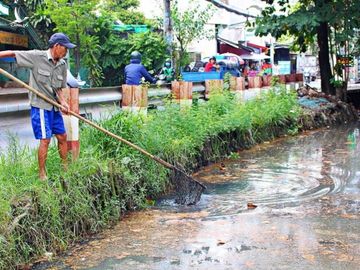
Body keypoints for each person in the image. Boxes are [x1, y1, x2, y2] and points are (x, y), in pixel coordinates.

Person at [0, 32, 76, 180]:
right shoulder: (36, 57)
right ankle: (42, 174)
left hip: (54, 107)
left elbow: (59, 89)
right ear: (56, 46)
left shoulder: (62, 64)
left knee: (62, 136)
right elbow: (13, 54)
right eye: (65, 48)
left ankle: (65, 169)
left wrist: (64, 102)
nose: (66, 51)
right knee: (45, 139)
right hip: (40, 106)